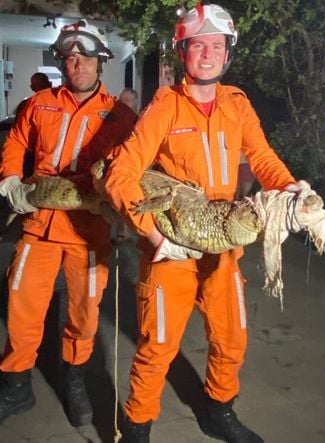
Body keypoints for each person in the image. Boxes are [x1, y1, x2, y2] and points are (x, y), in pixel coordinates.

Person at [103, 4, 308, 442]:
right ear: (183, 52)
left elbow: (263, 157)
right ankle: (137, 429)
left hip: (222, 247)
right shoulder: (165, 106)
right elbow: (122, 173)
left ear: (228, 53)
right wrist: (154, 235)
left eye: (217, 46)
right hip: (171, 248)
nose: (208, 54)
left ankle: (218, 410)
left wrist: (291, 189)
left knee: (232, 338)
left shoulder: (237, 104)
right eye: (199, 45)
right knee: (158, 346)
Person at [0, 20, 136, 426]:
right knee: (22, 306)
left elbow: (132, 167)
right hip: (39, 222)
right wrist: (10, 182)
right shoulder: (38, 104)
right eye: (70, 57)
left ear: (100, 62)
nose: (78, 64)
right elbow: (17, 144)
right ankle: (16, 385)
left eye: (86, 57)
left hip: (88, 232)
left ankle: (73, 379)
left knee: (83, 313)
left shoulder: (120, 116)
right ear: (62, 61)